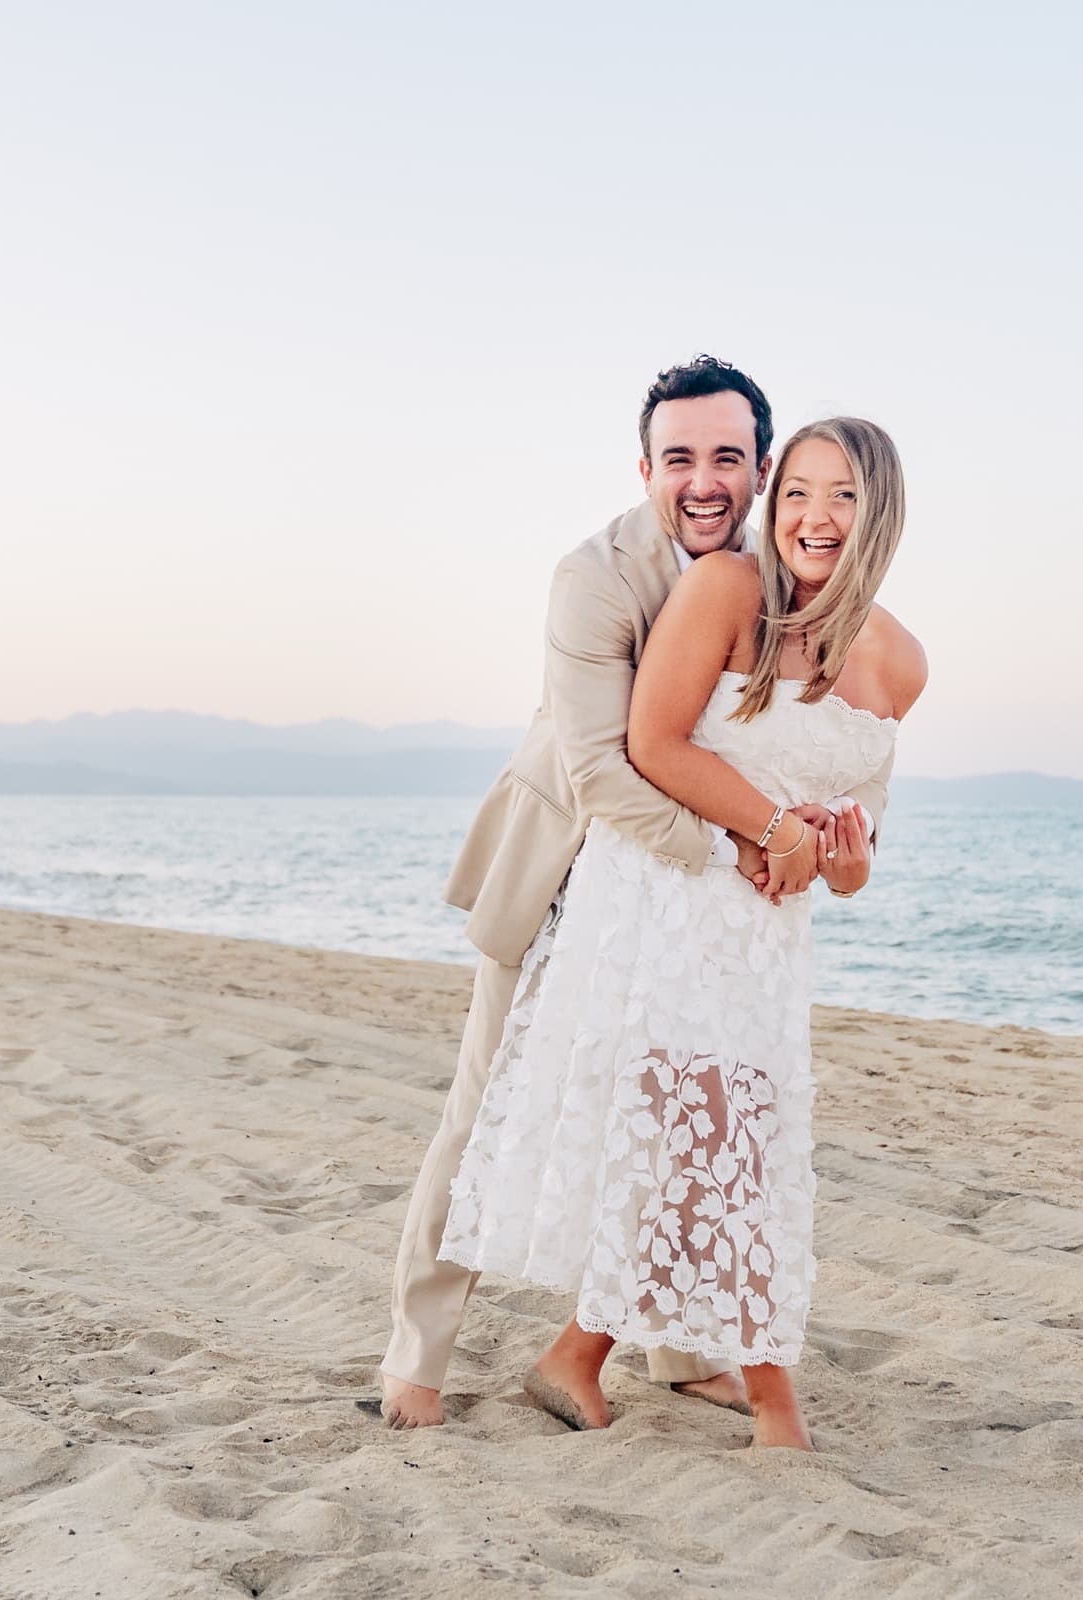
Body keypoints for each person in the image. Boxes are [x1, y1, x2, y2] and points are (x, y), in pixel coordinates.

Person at [377, 359, 894, 1429]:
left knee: (682, 1120)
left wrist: (802, 845)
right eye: (679, 459)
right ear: (647, 468)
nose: (703, 482)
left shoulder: (779, 583)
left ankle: (675, 1351)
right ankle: (415, 1364)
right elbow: (605, 769)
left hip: (688, 883)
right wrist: (751, 842)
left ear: (758, 467)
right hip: (562, 855)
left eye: (727, 459)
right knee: (485, 1112)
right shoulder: (598, 575)